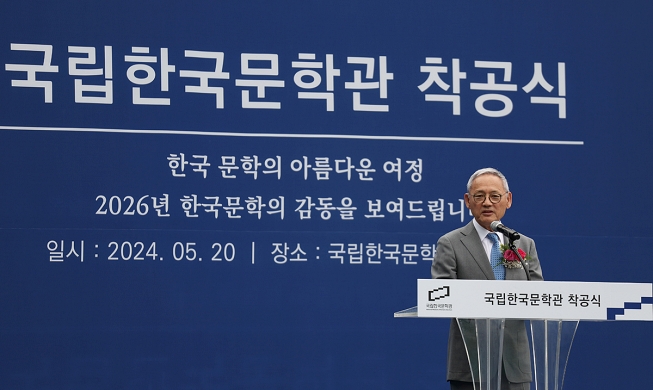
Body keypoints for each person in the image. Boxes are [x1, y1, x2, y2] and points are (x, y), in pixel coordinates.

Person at [431, 168, 543, 390]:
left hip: (515, 364)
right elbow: (440, 293)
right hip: (470, 362)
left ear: (508, 200)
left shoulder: (523, 244)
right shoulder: (451, 243)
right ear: (468, 201)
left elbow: (538, 296)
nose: (487, 203)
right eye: (479, 196)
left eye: (495, 196)